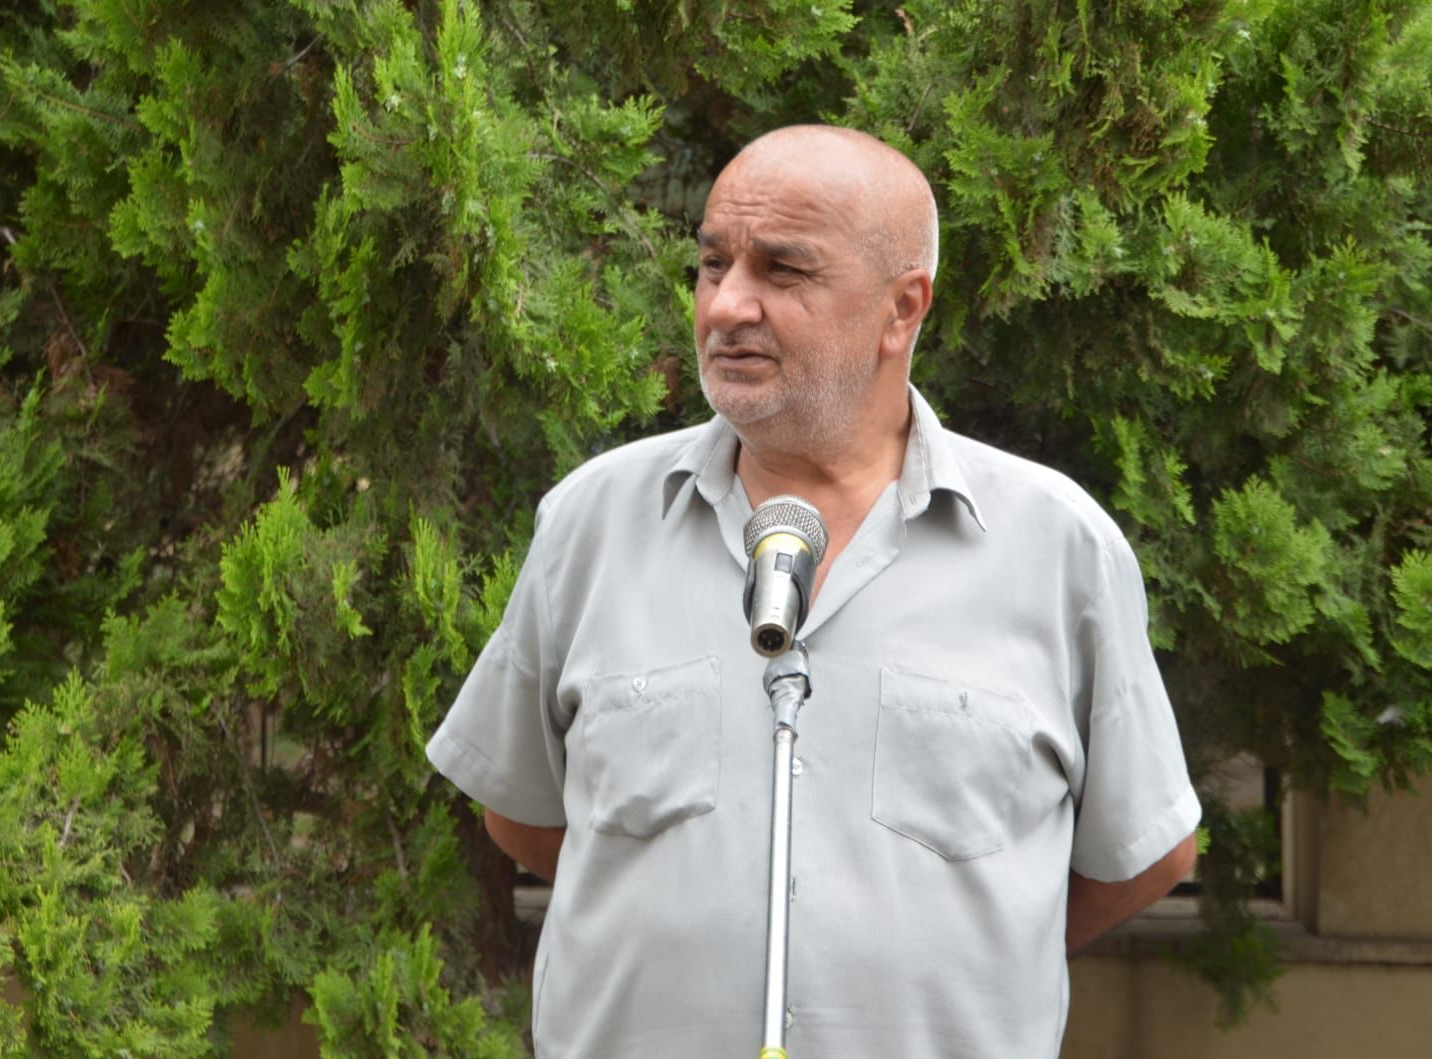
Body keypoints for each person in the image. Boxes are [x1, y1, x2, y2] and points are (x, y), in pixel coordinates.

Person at [427, 124, 1200, 1058]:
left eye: (783, 270)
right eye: (714, 264)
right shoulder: (591, 523)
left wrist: (976, 953)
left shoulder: (1056, 547)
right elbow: (522, 811)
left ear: (901, 310)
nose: (727, 305)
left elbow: (1145, 853)